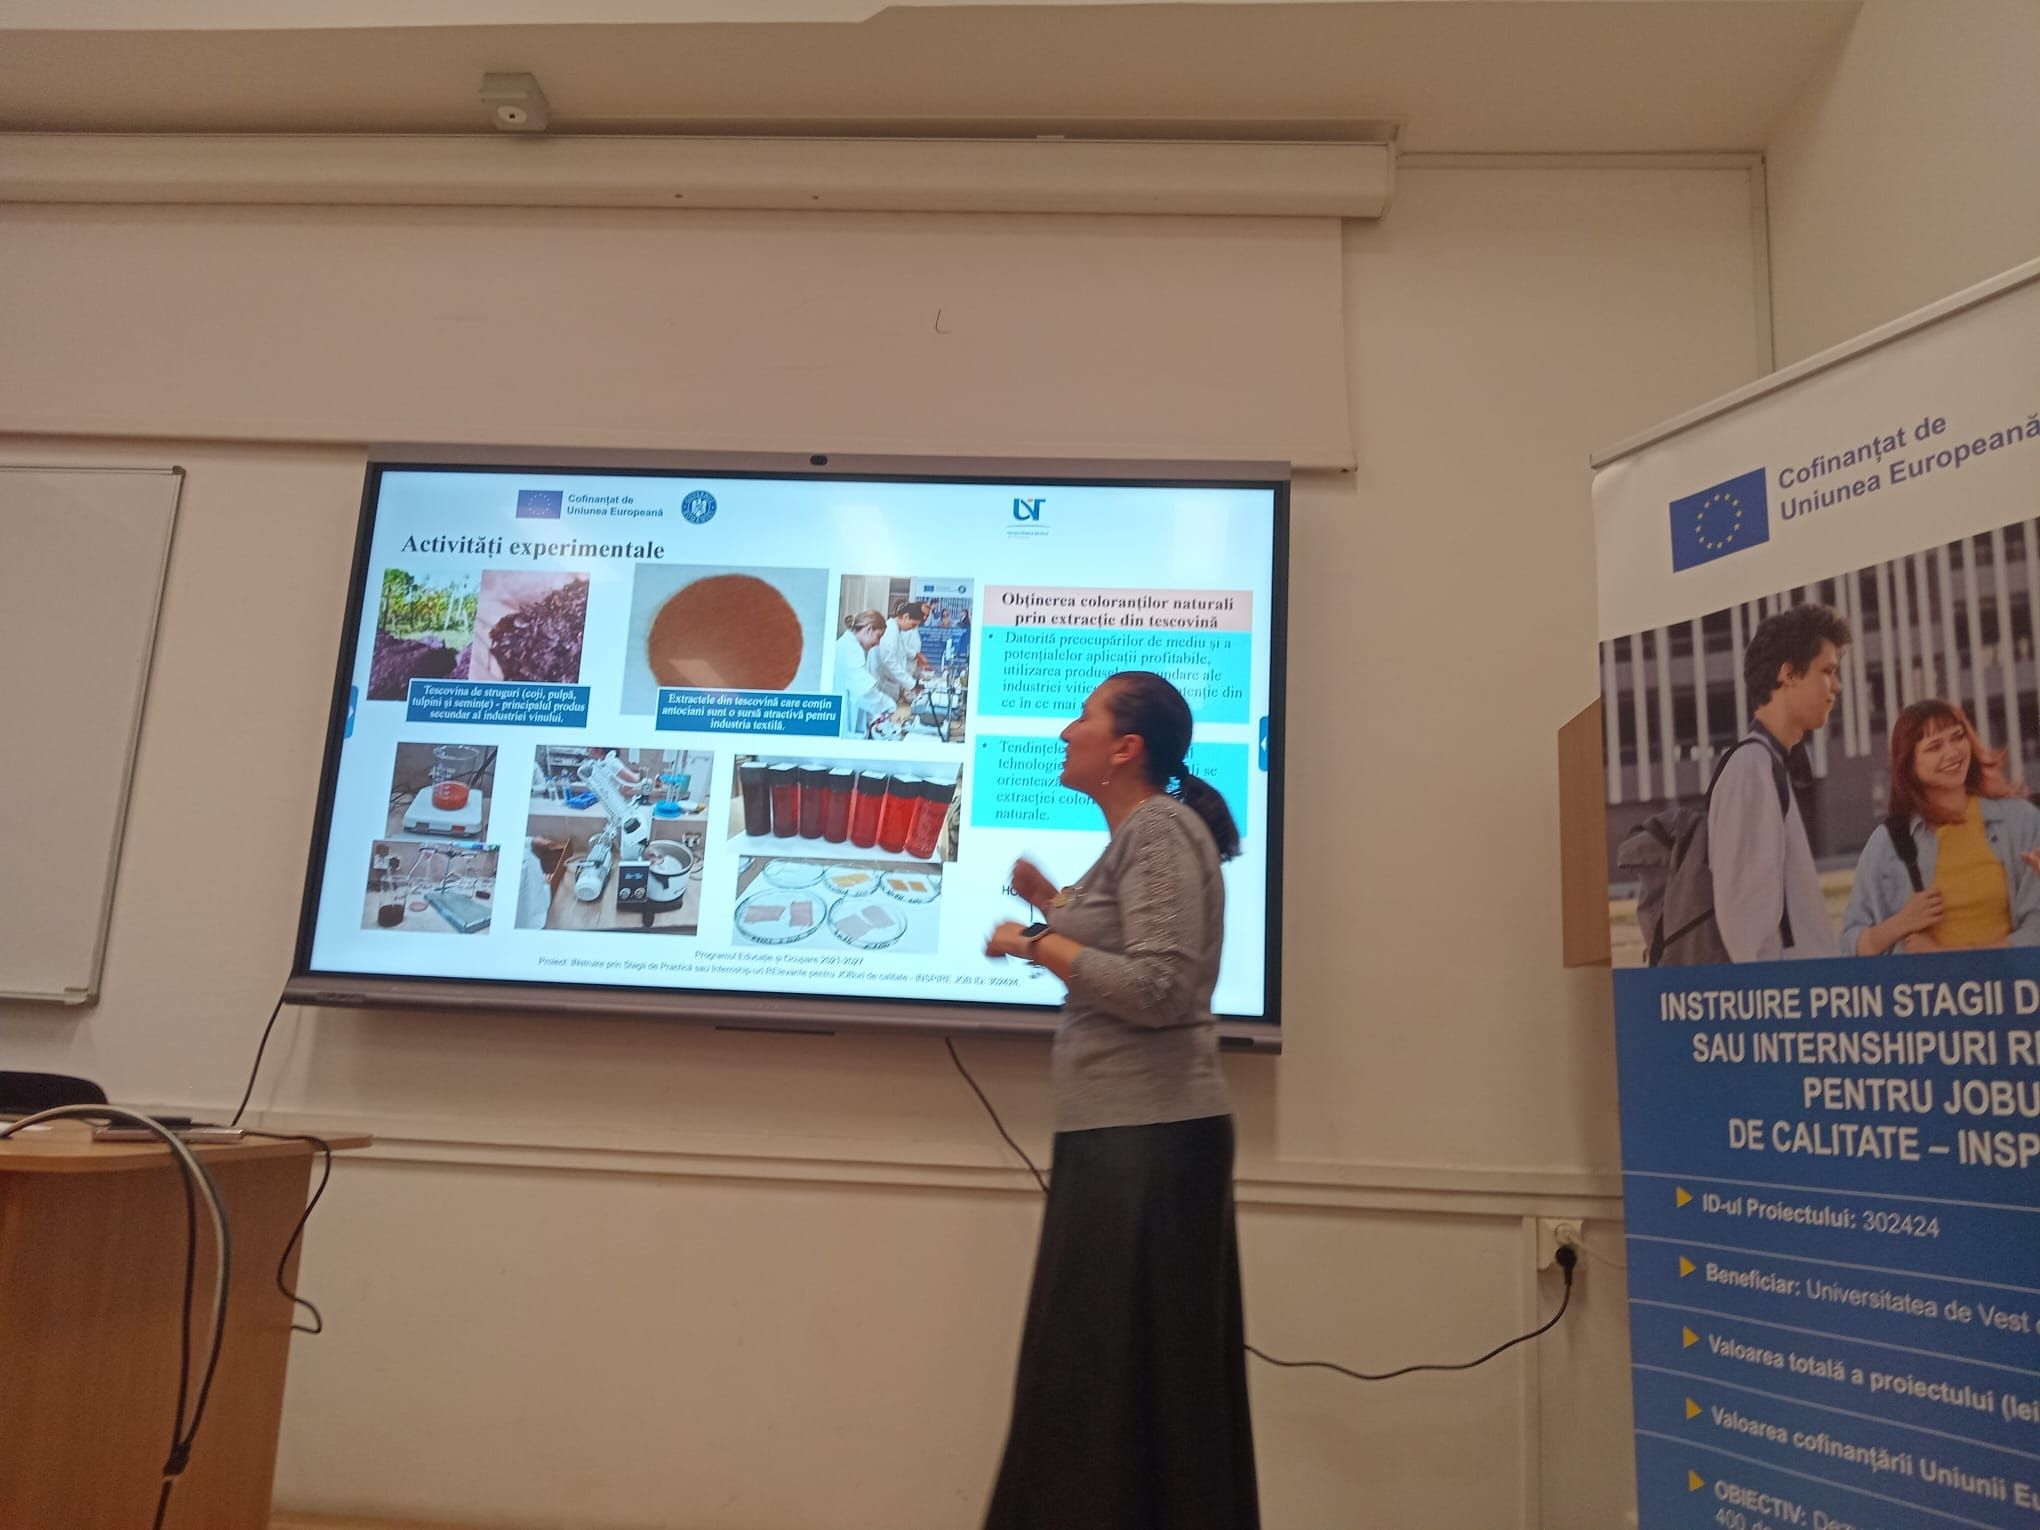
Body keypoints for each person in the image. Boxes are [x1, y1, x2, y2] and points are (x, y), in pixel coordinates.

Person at [980, 670, 1258, 1530]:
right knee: (1106, 1387)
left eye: (1084, 717)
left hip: (1149, 1142)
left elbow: (1160, 986)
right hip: (1126, 1138)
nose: (1066, 732)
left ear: (1126, 748)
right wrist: (1049, 903)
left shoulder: (1160, 828)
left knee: (1106, 1390)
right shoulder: (1144, 833)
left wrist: (1034, 941)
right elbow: (1122, 931)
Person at [1841, 699, 2040, 954]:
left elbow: (2036, 928)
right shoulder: (1887, 843)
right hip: (1920, 981)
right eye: (1934, 746)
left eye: (1957, 737)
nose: (1952, 752)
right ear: (1909, 764)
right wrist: (1900, 923)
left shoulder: (2021, 821)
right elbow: (1850, 946)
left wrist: (1949, 957)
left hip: (2007, 979)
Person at [1710, 603, 1850, 962]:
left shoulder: (1769, 763)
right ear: (1789, 674)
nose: (1836, 686)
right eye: (1827, 671)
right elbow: (1747, 930)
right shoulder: (1750, 769)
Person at [834, 609, 907, 738]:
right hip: (843, 721)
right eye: (878, 637)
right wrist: (888, 704)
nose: (878, 643)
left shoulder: (849, 645)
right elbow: (863, 692)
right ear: (868, 629)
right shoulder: (851, 650)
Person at [873, 598, 929, 702]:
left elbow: (902, 649)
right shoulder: (890, 631)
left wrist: (916, 655)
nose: (913, 628)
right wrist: (911, 684)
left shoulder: (896, 630)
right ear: (905, 617)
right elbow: (889, 662)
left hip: (890, 686)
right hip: (883, 686)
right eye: (913, 624)